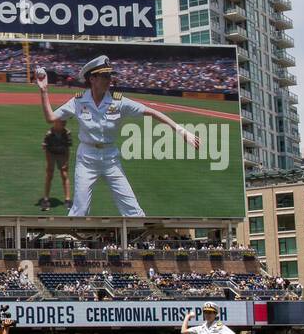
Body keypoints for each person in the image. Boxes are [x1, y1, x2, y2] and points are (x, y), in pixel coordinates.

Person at [36, 55, 201, 217]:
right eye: (105, 76)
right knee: (80, 210)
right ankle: (71, 241)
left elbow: (152, 112)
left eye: (110, 75)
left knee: (133, 210)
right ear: (92, 79)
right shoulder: (78, 101)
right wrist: (44, 91)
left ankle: (139, 239)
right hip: (86, 158)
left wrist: (182, 132)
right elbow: (50, 118)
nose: (109, 80)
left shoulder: (119, 102)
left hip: (110, 159)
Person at [39, 118, 71, 212]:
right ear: (55, 122)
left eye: (64, 122)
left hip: (62, 154)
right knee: (49, 175)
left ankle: (67, 199)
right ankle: (46, 199)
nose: (64, 123)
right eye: (62, 122)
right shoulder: (49, 133)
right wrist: (49, 163)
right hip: (51, 153)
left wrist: (66, 161)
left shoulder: (67, 133)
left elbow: (67, 148)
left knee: (64, 174)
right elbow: (46, 148)